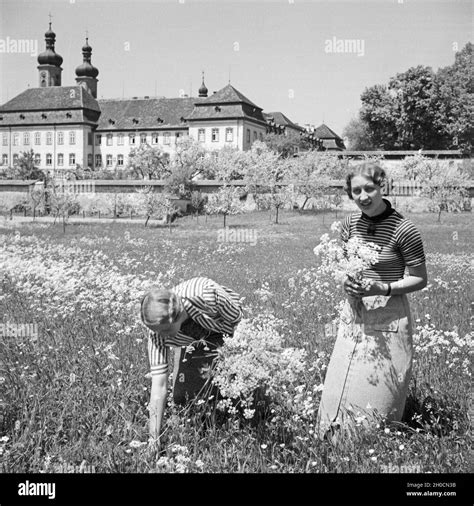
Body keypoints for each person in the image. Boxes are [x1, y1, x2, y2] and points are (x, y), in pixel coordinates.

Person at [317, 162, 428, 439]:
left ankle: (373, 440)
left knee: (375, 384)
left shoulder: (404, 229)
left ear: (383, 188)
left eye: (370, 188)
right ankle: (328, 434)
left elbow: (420, 279)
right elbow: (345, 265)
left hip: (389, 312)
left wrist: (382, 288)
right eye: (356, 191)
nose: (363, 196)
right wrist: (346, 282)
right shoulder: (348, 224)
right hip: (353, 310)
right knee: (341, 377)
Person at [140, 276, 243, 445]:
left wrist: (235, 357)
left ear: (177, 315)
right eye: (155, 331)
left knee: (234, 392)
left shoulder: (207, 294)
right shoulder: (157, 333)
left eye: (164, 331)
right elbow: (159, 386)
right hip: (191, 341)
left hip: (226, 330)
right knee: (182, 398)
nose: (159, 336)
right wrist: (154, 438)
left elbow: (238, 321)